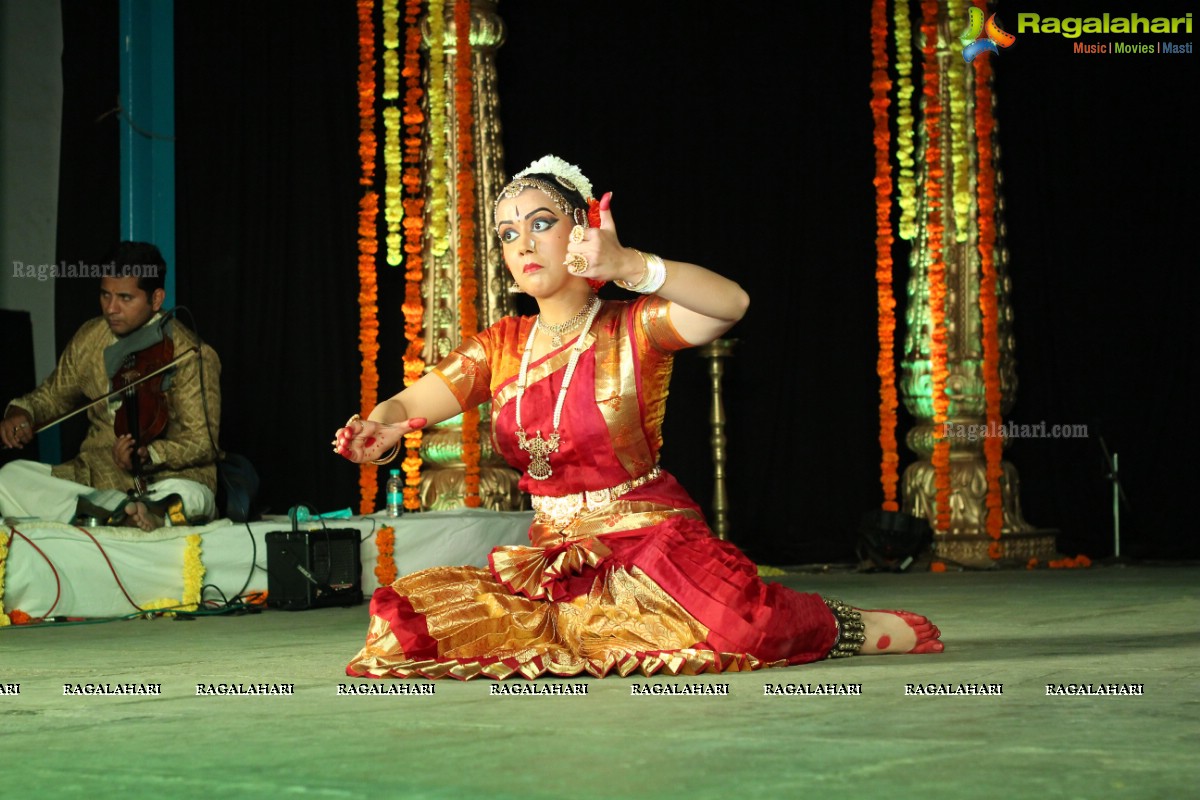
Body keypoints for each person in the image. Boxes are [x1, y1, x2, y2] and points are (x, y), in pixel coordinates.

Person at [335, 155, 942, 680]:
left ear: (584, 229)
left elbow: (732, 303)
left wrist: (631, 265)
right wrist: (382, 424)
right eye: (506, 233)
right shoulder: (502, 345)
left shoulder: (632, 325)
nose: (521, 244)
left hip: (651, 540)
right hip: (554, 557)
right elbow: (413, 403)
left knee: (737, 632)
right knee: (409, 629)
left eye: (541, 223)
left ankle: (849, 626)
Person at [0, 242, 222, 531]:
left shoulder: (191, 353)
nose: (111, 308)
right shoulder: (91, 337)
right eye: (106, 295)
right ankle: (116, 511)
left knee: (191, 497)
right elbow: (51, 397)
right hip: (96, 476)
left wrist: (149, 455)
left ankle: (126, 512)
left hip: (165, 479)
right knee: (9, 478)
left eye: (125, 298)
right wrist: (22, 411)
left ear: (156, 299)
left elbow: (203, 442)